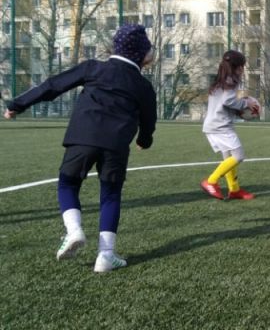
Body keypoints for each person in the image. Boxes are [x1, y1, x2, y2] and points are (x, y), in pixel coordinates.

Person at [3, 24, 157, 273]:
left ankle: (74, 230)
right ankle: (106, 255)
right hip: (116, 144)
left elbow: (53, 85)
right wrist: (144, 140)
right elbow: (149, 120)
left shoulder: (93, 67)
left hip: (82, 136)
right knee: (110, 194)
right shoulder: (143, 85)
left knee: (68, 183)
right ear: (141, 54)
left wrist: (17, 104)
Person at [200, 50, 259, 200]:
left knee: (228, 159)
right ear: (238, 67)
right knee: (238, 156)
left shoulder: (220, 80)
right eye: (242, 66)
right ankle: (211, 181)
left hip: (214, 125)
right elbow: (228, 101)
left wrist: (238, 111)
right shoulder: (231, 80)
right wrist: (247, 103)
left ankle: (234, 190)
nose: (243, 69)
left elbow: (224, 103)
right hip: (221, 127)